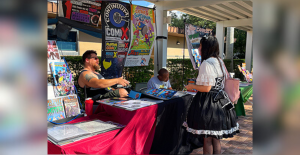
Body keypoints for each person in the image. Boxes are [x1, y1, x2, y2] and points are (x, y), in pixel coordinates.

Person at [183, 36, 239, 154]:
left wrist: (191, 86)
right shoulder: (219, 60)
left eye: (201, 46)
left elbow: (207, 88)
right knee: (215, 139)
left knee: (207, 139)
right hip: (220, 102)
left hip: (208, 105)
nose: (199, 48)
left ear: (206, 48)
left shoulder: (206, 63)